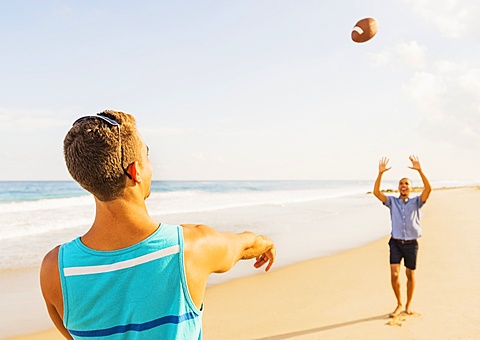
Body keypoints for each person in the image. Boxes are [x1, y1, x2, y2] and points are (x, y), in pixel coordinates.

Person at [40, 110, 276, 339]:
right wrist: (266, 243)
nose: (150, 164)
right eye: (147, 155)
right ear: (135, 171)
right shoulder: (190, 248)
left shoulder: (54, 270)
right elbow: (245, 244)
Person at [373, 155, 431, 317]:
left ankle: (408, 304)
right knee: (395, 274)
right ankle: (398, 303)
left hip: (412, 244)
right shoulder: (392, 202)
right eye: (401, 183)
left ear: (411, 188)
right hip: (396, 243)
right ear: (398, 188)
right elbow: (376, 192)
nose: (403, 186)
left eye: (406, 183)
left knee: (410, 274)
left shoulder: (417, 202)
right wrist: (380, 174)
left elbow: (428, 190)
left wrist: (419, 170)